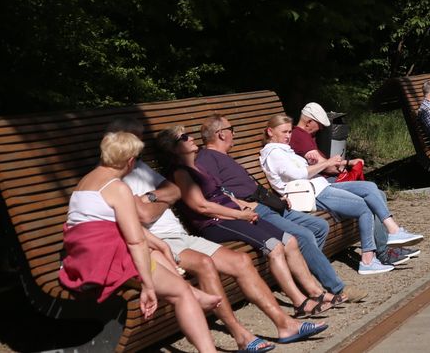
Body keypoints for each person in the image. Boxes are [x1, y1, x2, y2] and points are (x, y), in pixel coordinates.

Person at [108, 118, 328, 349]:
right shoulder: (116, 178)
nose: (140, 143)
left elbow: (173, 192)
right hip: (160, 240)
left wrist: (153, 198)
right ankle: (241, 335)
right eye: (134, 138)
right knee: (206, 264)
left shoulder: (141, 168)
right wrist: (163, 198)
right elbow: (147, 214)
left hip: (182, 234)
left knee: (242, 260)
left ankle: (286, 325)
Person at [158, 125, 342, 319]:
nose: (191, 138)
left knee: (290, 241)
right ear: (174, 148)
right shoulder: (181, 173)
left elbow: (222, 193)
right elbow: (201, 207)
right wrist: (239, 215)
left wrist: (242, 205)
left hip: (234, 214)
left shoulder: (198, 166)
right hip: (216, 222)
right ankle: (299, 302)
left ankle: (317, 292)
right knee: (275, 247)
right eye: (184, 137)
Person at [60, 132, 221, 353]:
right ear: (130, 161)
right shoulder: (117, 188)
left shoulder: (86, 181)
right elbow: (135, 242)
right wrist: (147, 285)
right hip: (103, 261)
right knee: (180, 293)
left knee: (155, 252)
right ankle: (205, 341)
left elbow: (119, 228)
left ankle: (195, 295)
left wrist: (161, 244)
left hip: (83, 255)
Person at [196, 114, 367, 303]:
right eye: (231, 129)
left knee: (320, 226)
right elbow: (215, 192)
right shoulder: (207, 157)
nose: (234, 134)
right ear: (221, 134)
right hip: (256, 209)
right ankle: (337, 288)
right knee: (304, 236)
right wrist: (241, 207)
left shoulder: (222, 157)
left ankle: (301, 276)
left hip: (271, 204)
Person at [260, 114, 417, 275]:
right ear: (270, 132)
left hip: (321, 186)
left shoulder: (284, 151)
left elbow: (300, 172)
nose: (288, 136)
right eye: (284, 132)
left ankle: (393, 230)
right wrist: (326, 163)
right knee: (364, 206)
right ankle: (368, 261)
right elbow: (298, 174)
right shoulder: (274, 153)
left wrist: (315, 164)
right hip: (312, 194)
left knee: (369, 187)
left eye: (289, 132)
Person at [291, 102, 425, 248]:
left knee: (378, 194)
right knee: (371, 192)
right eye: (320, 125)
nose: (321, 129)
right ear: (309, 122)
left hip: (325, 183)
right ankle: (388, 242)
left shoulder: (304, 136)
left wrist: (348, 163)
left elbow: (323, 163)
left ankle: (388, 243)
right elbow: (327, 166)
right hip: (324, 185)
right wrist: (343, 165)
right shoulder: (301, 136)